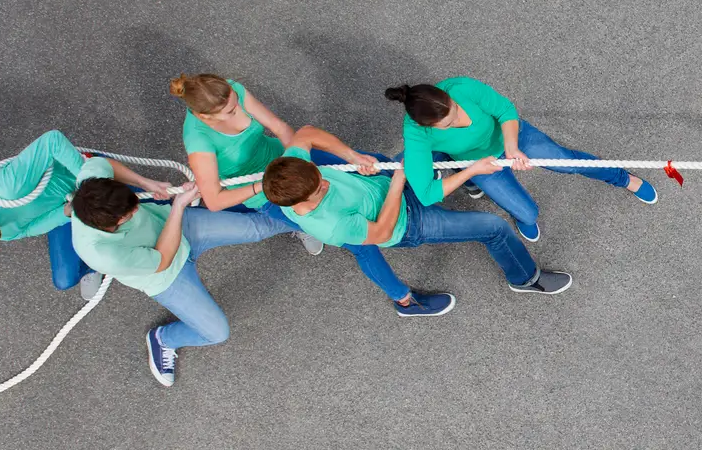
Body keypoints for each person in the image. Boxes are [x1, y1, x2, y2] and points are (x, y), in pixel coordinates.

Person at [260, 145, 571, 313]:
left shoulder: (297, 165)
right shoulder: (329, 225)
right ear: (305, 202)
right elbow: (381, 234)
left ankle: (470, 182)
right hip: (407, 223)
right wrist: (396, 183)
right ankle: (526, 278)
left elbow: (307, 133)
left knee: (439, 145)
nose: (326, 182)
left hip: (390, 182)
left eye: (319, 175)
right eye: (320, 189)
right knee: (494, 227)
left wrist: (352, 158)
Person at [66, 160, 294, 387]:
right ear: (109, 226)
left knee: (257, 227)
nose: (136, 208)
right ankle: (163, 339)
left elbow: (103, 164)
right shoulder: (102, 254)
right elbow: (162, 259)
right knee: (216, 332)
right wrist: (178, 206)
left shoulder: (90, 183)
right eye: (128, 214)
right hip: (166, 275)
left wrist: (146, 183)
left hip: (175, 225)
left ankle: (306, 220)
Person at [386, 79, 655, 242]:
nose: (458, 119)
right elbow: (427, 194)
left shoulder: (461, 87)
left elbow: (504, 110)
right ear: (429, 126)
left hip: (511, 136)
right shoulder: (416, 136)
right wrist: (472, 171)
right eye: (449, 123)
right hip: (478, 163)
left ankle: (623, 178)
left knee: (567, 162)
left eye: (455, 110)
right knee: (528, 215)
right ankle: (466, 172)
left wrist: (512, 147)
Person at [0, 131, 177, 300]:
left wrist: (89, 183)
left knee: (160, 205)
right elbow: (27, 229)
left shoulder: (7, 188)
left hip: (84, 177)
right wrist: (68, 212)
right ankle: (95, 264)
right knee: (65, 279)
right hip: (68, 204)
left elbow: (52, 141)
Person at [170, 73, 325, 254]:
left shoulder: (230, 91)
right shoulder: (198, 142)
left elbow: (279, 127)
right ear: (205, 117)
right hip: (261, 191)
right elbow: (214, 201)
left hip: (281, 156)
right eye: (231, 111)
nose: (238, 106)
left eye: (236, 101)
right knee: (319, 219)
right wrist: (264, 185)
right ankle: (303, 227)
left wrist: (297, 162)